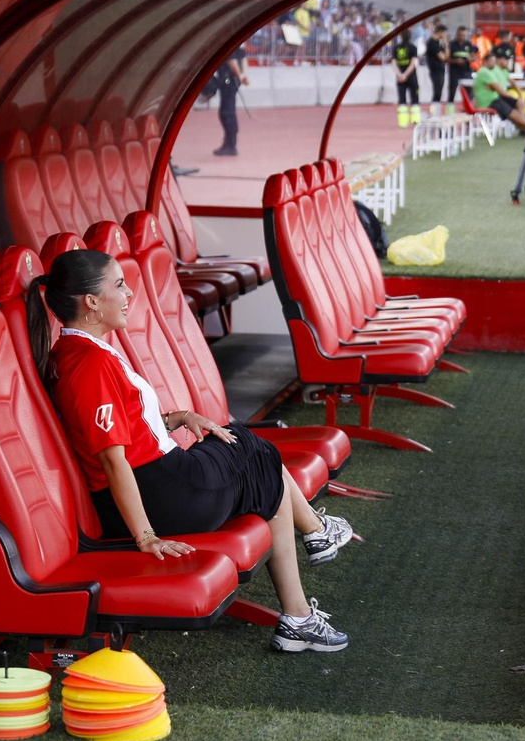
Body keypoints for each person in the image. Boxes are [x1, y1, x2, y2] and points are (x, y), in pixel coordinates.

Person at [26, 249, 354, 652]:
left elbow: (124, 430)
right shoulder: (88, 364)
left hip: (159, 477)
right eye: (119, 285)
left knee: (248, 449)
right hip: (163, 493)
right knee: (256, 452)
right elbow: (113, 461)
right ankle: (313, 548)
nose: (129, 293)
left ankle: (303, 598)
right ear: (91, 302)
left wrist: (178, 417)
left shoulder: (83, 351)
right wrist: (146, 536)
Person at [472, 47, 525, 133]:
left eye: (493, 61)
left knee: (517, 109)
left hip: (494, 98)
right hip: (490, 101)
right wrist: (514, 95)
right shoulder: (485, 72)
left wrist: (519, 95)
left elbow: (504, 85)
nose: (493, 63)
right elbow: (500, 90)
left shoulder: (490, 71)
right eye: (491, 61)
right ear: (485, 61)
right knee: (514, 114)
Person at [212, 43, 249, 157]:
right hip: (233, 80)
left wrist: (239, 75)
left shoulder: (229, 43)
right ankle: (228, 143)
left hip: (228, 80)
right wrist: (242, 76)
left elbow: (232, 62)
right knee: (228, 112)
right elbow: (243, 59)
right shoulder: (240, 42)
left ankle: (231, 145)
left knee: (226, 113)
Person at [392, 32, 422, 129]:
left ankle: (403, 123)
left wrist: (400, 74)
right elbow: (413, 64)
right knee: (415, 99)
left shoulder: (396, 47)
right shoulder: (413, 48)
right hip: (411, 77)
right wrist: (405, 75)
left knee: (402, 100)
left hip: (400, 77)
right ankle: (415, 120)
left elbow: (393, 63)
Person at [447, 25, 477, 109]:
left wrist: (470, 59)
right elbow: (447, 59)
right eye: (460, 35)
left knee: (468, 92)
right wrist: (456, 61)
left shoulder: (468, 44)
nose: (461, 37)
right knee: (452, 92)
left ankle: (468, 109)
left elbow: (474, 57)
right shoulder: (452, 44)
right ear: (457, 34)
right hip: (454, 71)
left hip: (466, 71)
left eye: (463, 35)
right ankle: (450, 110)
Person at [425, 22, 450, 114]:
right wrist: (446, 43)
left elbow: (447, 56)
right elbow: (442, 57)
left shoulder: (439, 43)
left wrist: (446, 44)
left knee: (440, 91)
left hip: (441, 69)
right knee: (437, 91)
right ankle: (434, 112)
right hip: (435, 70)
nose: (445, 35)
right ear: (440, 32)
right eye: (444, 33)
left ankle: (437, 111)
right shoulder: (431, 43)